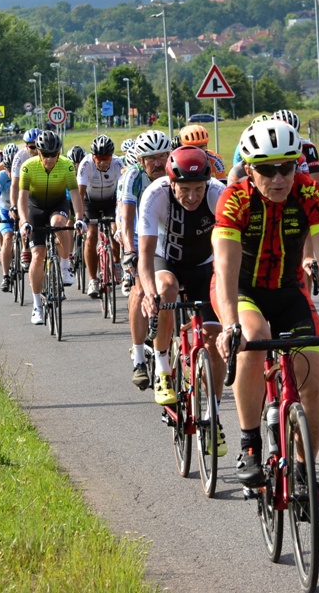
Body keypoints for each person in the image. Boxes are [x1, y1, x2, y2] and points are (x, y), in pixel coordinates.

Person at [212, 118, 319, 521]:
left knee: (313, 381)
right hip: (243, 290)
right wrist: (229, 324)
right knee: (254, 337)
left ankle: (306, 470)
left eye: (286, 167)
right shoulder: (234, 200)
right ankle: (250, 443)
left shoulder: (310, 194)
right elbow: (225, 268)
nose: (278, 178)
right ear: (249, 169)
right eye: (267, 169)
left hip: (289, 292)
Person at [137, 147, 227, 430]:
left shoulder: (218, 193)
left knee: (214, 339)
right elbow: (144, 256)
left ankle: (213, 414)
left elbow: (232, 250)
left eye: (198, 189)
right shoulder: (155, 195)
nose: (192, 196)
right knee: (166, 289)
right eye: (185, 189)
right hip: (166, 260)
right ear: (172, 183)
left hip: (204, 264)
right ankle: (162, 368)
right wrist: (149, 294)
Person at [116, 131, 171, 391]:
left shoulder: (175, 171)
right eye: (152, 158)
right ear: (141, 160)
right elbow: (127, 219)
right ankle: (138, 358)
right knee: (139, 290)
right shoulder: (133, 177)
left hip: (167, 237)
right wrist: (129, 250)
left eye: (163, 156)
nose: (159, 163)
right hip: (139, 237)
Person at [17, 131, 86, 325]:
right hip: (35, 208)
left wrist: (79, 218)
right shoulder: (28, 167)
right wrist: (24, 222)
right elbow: (22, 198)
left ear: (59, 152)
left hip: (57, 205)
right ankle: (37, 305)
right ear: (38, 153)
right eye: (45, 154)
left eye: (53, 154)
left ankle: (64, 266)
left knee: (58, 225)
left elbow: (75, 194)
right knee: (38, 256)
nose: (49, 159)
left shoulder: (66, 165)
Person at [76, 134, 124, 298]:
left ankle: (117, 262)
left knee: (115, 230)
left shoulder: (118, 164)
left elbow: (123, 193)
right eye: (99, 158)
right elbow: (80, 194)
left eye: (106, 158)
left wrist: (120, 214)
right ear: (93, 156)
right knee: (91, 235)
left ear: (112, 156)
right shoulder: (86, 165)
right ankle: (93, 280)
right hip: (91, 203)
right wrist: (80, 218)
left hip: (111, 201)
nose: (103, 162)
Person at [0, 144, 20, 292]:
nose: (10, 173)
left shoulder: (24, 174)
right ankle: (5, 277)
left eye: (13, 169)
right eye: (8, 169)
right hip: (4, 211)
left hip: (20, 211)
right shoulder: (1, 176)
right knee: (8, 237)